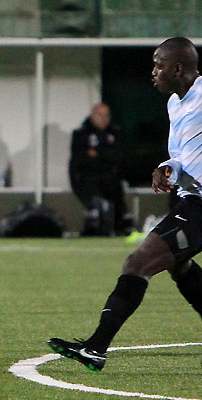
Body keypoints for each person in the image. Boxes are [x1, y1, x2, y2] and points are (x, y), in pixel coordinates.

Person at [48, 37, 202, 372]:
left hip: (200, 205)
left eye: (158, 64)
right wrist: (168, 167)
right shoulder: (176, 103)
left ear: (178, 68)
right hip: (187, 198)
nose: (153, 72)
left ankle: (95, 347)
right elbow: (182, 155)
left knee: (138, 262)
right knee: (179, 266)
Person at [69, 103, 127, 236]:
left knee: (117, 206)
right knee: (96, 206)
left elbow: (118, 156)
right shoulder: (81, 134)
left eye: (106, 115)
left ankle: (118, 229)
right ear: (92, 116)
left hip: (111, 180)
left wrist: (98, 153)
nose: (103, 119)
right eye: (99, 115)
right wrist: (106, 154)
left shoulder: (115, 132)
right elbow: (81, 158)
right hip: (89, 180)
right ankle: (94, 230)